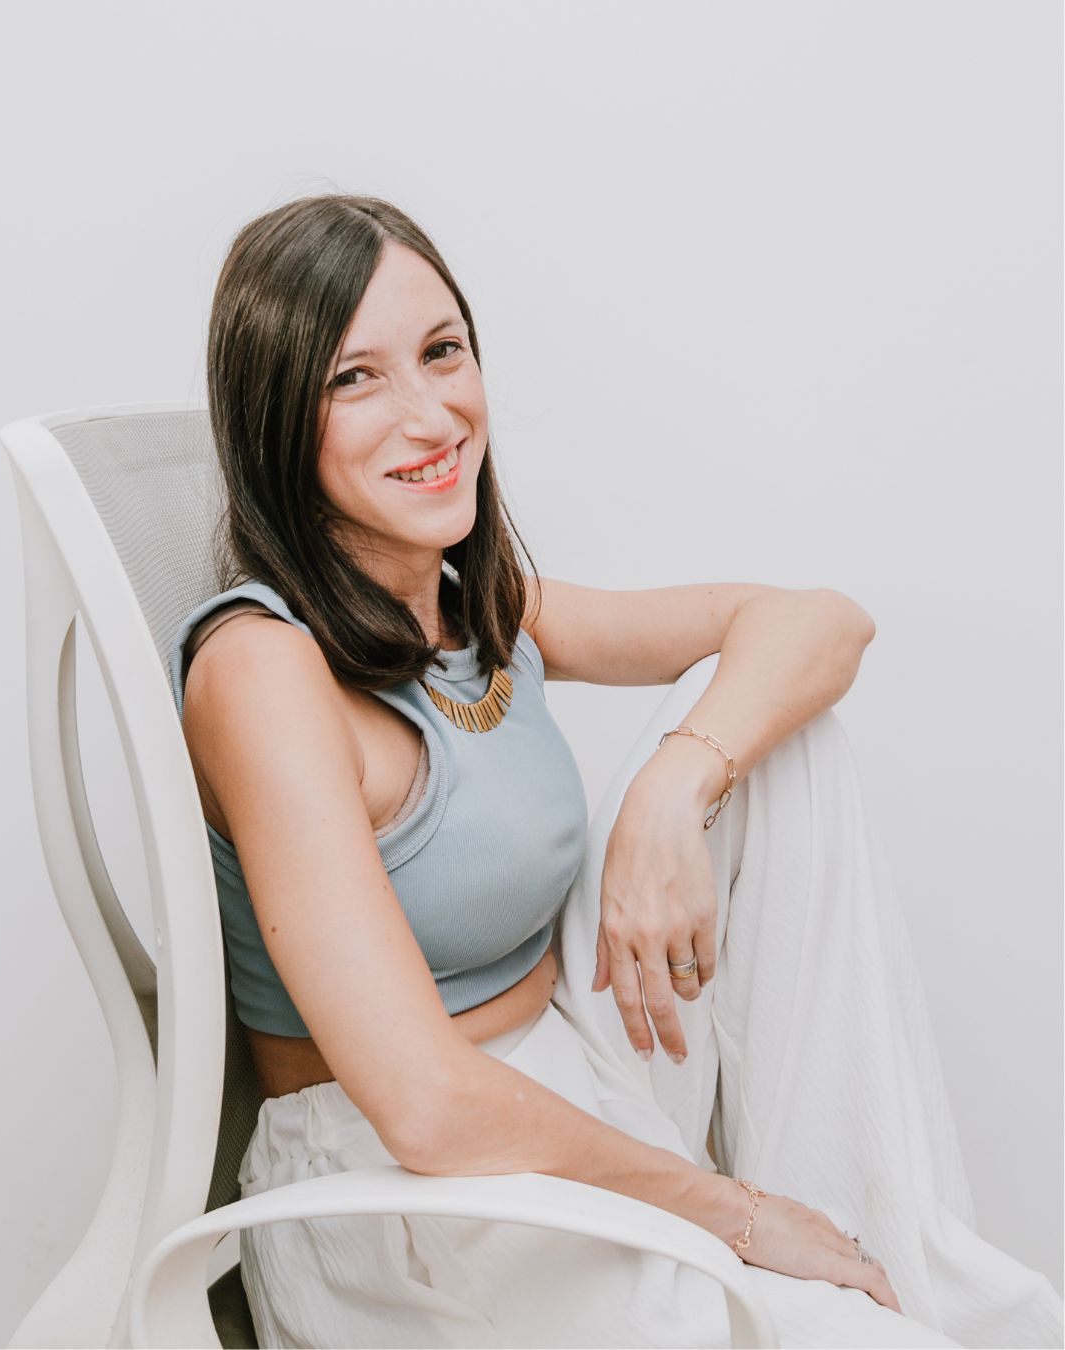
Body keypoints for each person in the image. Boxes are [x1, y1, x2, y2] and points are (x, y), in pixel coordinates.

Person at [169, 193, 1063, 1348]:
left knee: (772, 734)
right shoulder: (261, 669)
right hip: (406, 1199)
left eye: (442, 352)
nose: (430, 412)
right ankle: (813, 1258)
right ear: (278, 417)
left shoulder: (476, 607)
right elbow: (428, 1109)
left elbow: (819, 622)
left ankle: (885, 1247)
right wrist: (734, 1215)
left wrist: (672, 792)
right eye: (356, 379)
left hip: (567, 1074)